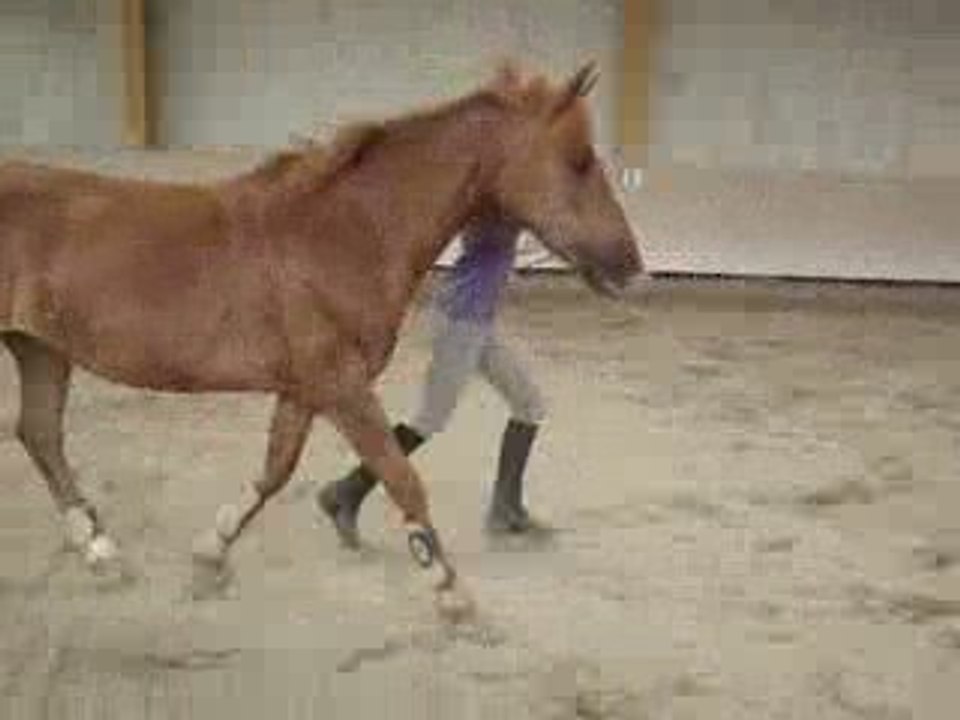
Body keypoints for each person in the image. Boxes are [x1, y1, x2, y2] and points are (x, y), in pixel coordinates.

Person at [317, 215, 548, 548]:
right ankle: (347, 491)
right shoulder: (492, 207)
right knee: (429, 420)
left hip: (475, 321)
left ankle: (506, 509)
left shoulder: (500, 203)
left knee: (529, 404)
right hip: (460, 321)